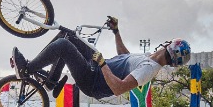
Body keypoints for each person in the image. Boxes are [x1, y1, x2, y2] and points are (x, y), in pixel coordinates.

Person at [11, 16, 190, 100]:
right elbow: (124, 56)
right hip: (96, 68)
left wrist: (103, 64)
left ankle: (27, 69)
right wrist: (116, 32)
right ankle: (50, 81)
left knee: (63, 46)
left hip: (94, 81)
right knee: (69, 35)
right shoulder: (148, 58)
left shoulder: (148, 69)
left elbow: (119, 88)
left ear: (169, 45)